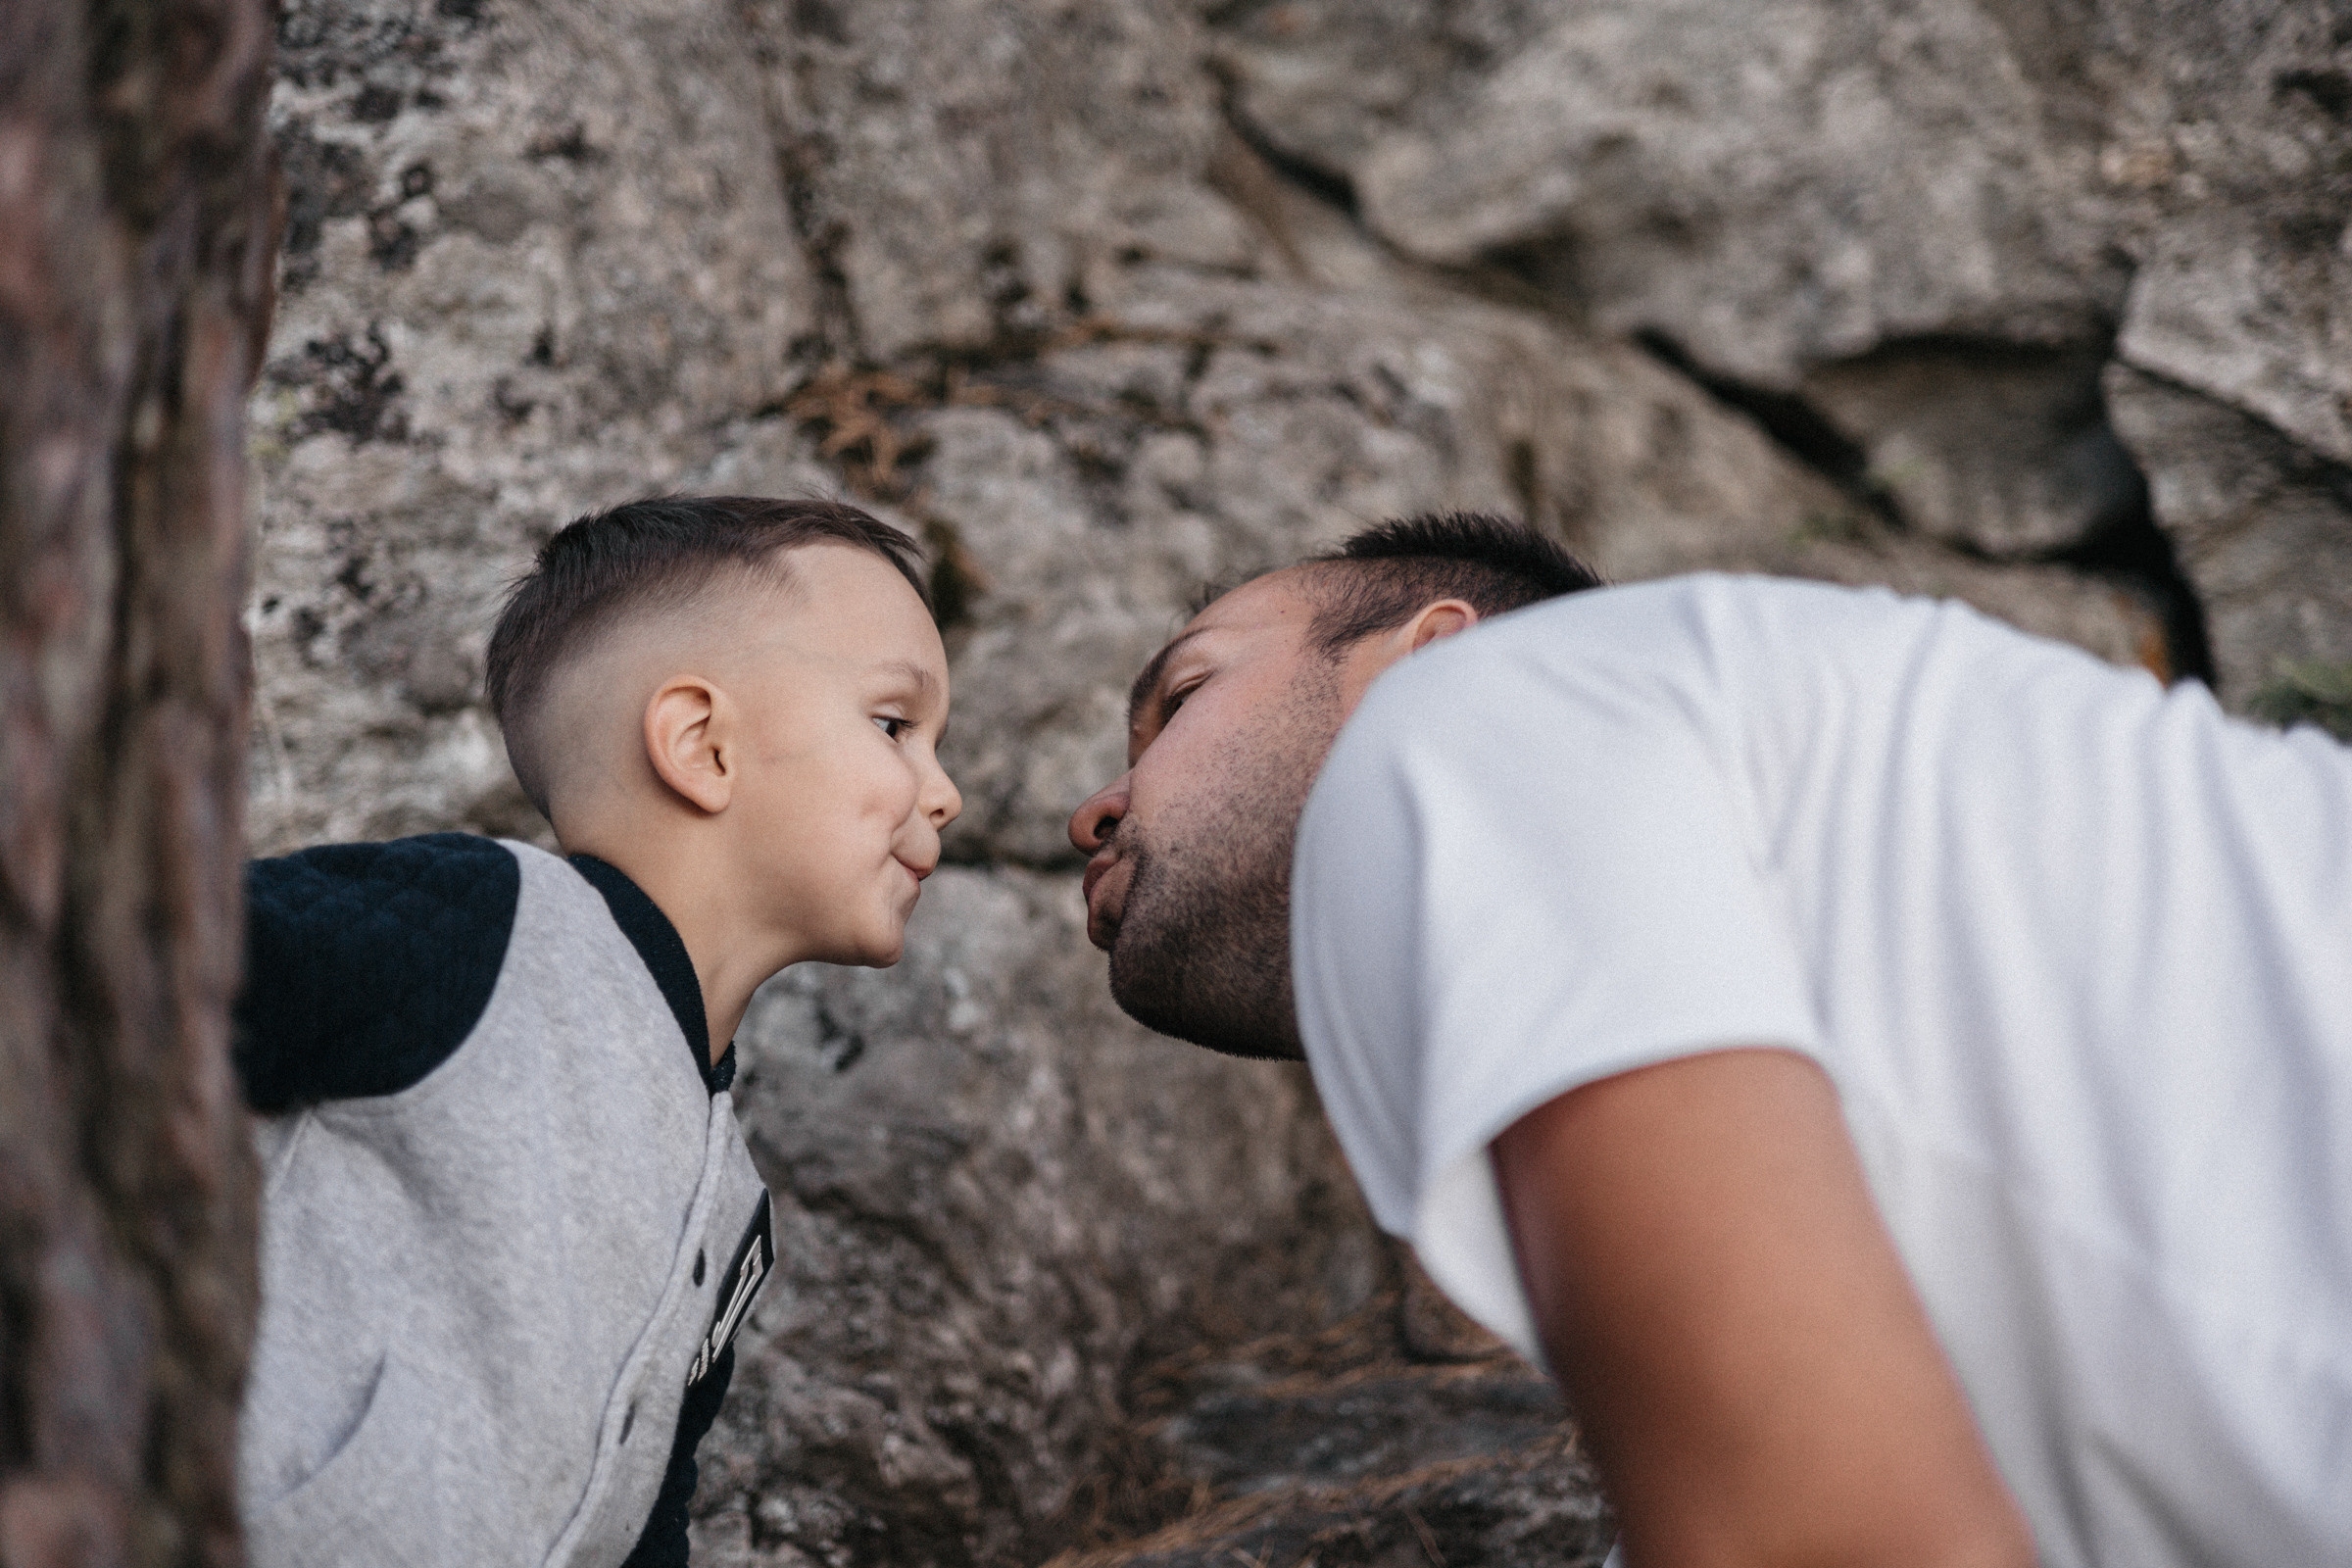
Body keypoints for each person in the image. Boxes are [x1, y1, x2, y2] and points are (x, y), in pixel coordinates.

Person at [1068, 512, 2352, 1568]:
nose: (1093, 810)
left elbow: (1821, 1543)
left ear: (1426, 655)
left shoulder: (1473, 718)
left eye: (1180, 697)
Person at [232, 496, 961, 1567]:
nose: (943, 794)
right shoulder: (481, 926)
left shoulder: (729, 1200)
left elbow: (643, 1507)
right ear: (702, 744)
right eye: (896, 725)